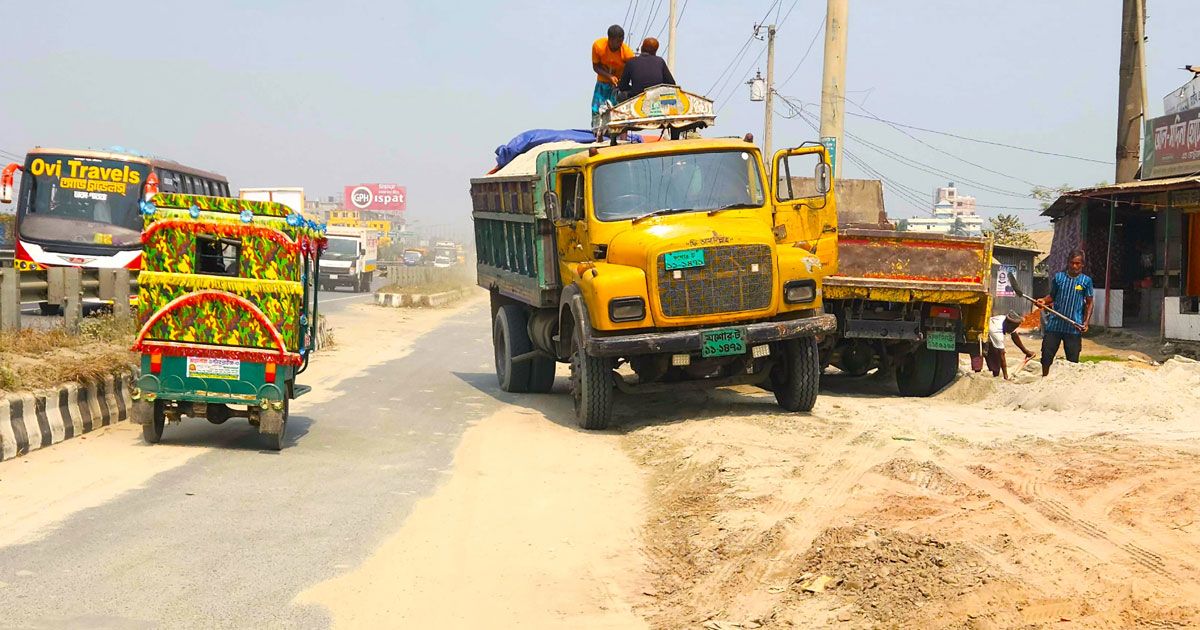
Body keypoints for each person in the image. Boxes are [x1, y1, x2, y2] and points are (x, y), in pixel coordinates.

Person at [1037, 249, 1093, 376]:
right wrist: (1043, 301)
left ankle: (1069, 385)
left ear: (1082, 264)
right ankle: (1044, 378)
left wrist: (1086, 322)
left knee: (1073, 361)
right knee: (1046, 355)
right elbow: (1052, 297)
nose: (1074, 266)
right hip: (1054, 326)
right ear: (1068, 263)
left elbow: (1090, 303)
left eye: (1078, 263)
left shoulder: (1086, 281)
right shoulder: (1059, 278)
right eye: (1072, 263)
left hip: (1074, 327)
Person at [591, 25, 635, 124]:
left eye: (621, 41)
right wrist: (609, 76)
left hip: (617, 86)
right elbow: (595, 66)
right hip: (602, 83)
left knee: (618, 111)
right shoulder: (598, 46)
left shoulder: (627, 53)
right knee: (597, 110)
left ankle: (617, 135)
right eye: (617, 42)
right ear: (610, 39)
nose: (620, 44)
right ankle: (598, 133)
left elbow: (632, 71)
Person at [617, 37, 676, 101]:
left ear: (641, 48)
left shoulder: (631, 62)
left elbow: (622, 86)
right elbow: (671, 84)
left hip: (637, 97)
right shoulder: (660, 61)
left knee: (621, 96)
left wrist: (633, 89)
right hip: (657, 97)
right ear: (655, 51)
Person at [984, 310, 1034, 380]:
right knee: (995, 355)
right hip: (984, 335)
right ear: (1008, 323)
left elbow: (1014, 335)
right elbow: (1001, 354)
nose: (1014, 329)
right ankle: (995, 375)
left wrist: (1026, 351)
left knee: (996, 354)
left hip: (990, 333)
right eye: (1013, 327)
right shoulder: (996, 331)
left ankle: (996, 374)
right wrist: (1006, 376)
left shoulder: (1006, 321)